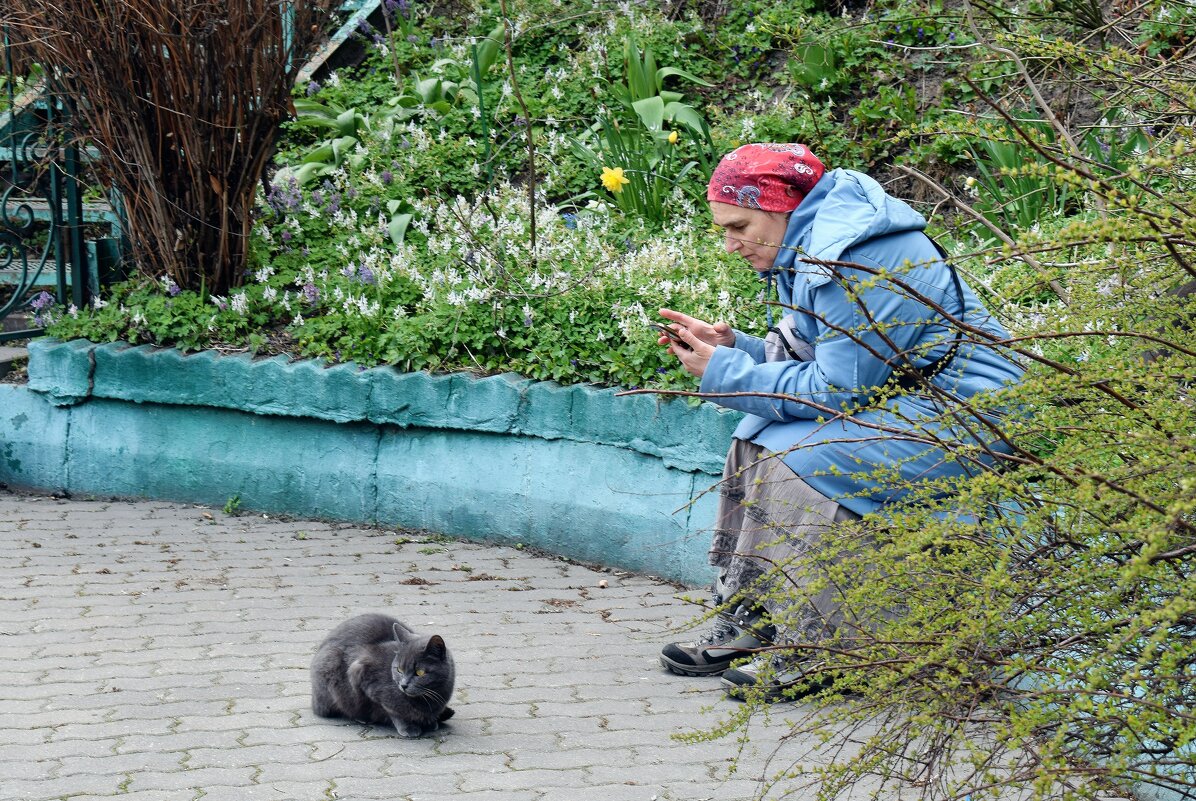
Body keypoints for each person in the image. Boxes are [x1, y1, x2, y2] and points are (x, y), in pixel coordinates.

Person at [656, 143, 1024, 698]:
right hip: (910, 401)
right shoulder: (813, 241)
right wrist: (738, 350)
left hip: (970, 418)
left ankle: (820, 649)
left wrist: (730, 372)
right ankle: (755, 620)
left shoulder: (853, 258)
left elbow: (839, 389)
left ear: (781, 209)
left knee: (805, 462)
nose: (730, 244)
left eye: (739, 225)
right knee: (754, 433)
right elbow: (830, 358)